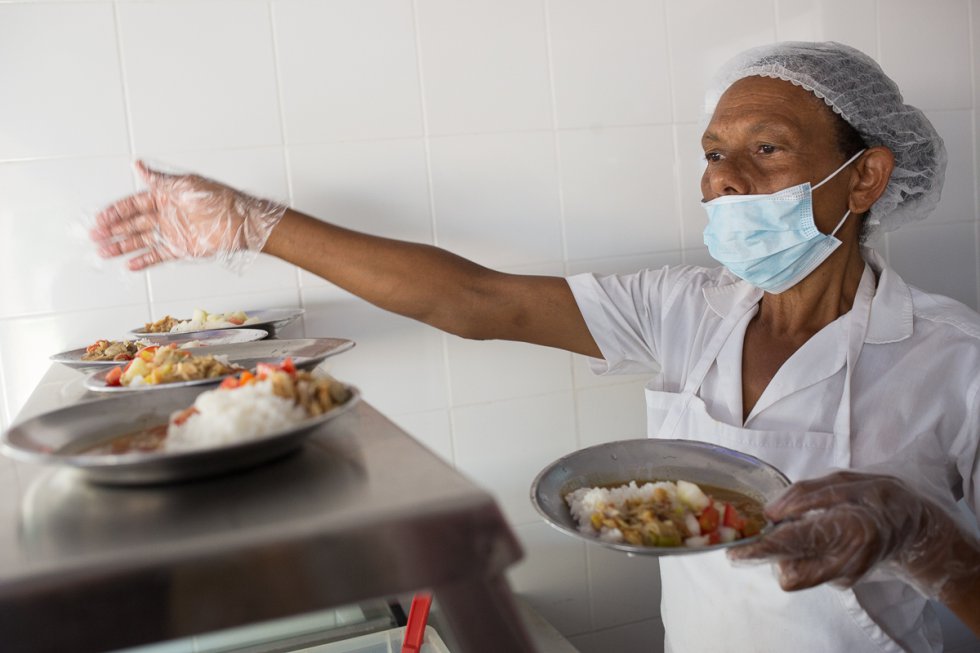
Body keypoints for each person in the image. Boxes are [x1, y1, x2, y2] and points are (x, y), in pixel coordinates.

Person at [90, 42, 979, 652]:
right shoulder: (688, 308)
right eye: (713, 154)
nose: (724, 180)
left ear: (865, 176)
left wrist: (930, 543)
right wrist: (253, 224)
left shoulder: (955, 358)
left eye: (767, 149)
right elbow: (476, 301)